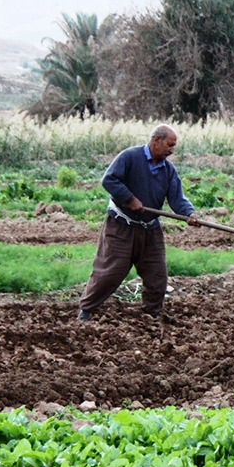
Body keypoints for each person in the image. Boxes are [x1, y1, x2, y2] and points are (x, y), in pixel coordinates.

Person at [77, 125, 201, 321]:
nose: (172, 150)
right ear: (156, 141)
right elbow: (109, 180)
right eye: (169, 145)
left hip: (150, 229)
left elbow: (177, 198)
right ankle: (86, 310)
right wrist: (129, 199)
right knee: (110, 272)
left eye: (174, 146)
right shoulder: (129, 157)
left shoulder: (168, 170)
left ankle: (151, 315)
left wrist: (189, 213)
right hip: (121, 226)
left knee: (157, 276)